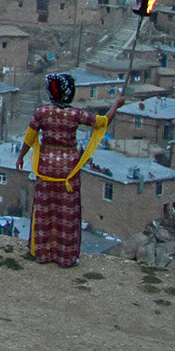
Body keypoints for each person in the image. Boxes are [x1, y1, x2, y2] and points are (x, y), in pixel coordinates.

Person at [16, 74, 123, 267]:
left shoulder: (42, 112)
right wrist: (116, 104)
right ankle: (65, 257)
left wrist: (21, 156)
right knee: (67, 213)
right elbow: (103, 121)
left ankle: (43, 253)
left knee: (45, 209)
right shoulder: (76, 115)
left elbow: (30, 136)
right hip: (68, 172)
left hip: (46, 169)